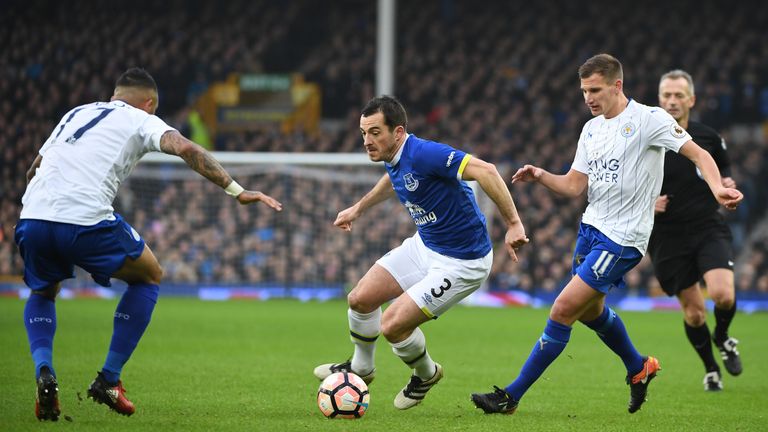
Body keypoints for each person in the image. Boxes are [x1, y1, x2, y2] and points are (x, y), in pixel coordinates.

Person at [470, 54, 743, 415]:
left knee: (564, 308)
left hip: (624, 238)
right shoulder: (591, 129)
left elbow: (699, 155)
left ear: (617, 85)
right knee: (588, 311)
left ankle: (511, 395)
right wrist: (541, 175)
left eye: (595, 89)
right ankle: (638, 367)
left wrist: (716, 189)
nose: (588, 98)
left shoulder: (650, 119)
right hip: (591, 231)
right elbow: (573, 185)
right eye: (584, 91)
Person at [15, 68, 282, 421]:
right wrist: (237, 190)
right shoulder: (142, 119)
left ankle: (44, 371)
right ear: (150, 103)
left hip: (32, 216)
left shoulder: (75, 113)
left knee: (43, 291)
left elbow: (35, 168)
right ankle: (109, 378)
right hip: (84, 218)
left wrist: (38, 208)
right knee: (149, 275)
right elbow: (185, 147)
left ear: (115, 94)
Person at [313, 95, 529, 410]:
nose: (367, 141)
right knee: (359, 299)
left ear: (398, 132)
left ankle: (426, 373)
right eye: (363, 133)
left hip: (462, 263)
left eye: (375, 132)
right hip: (425, 244)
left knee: (392, 326)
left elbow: (487, 170)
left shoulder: (426, 153)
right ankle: (361, 369)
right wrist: (358, 208)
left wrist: (513, 223)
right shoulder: (394, 155)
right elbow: (394, 178)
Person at [649, 69, 742, 391]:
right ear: (659, 99)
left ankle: (723, 336)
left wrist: (727, 182)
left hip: (706, 225)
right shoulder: (645, 139)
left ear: (691, 100)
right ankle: (711, 368)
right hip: (666, 234)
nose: (672, 101)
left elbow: (725, 169)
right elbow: (621, 184)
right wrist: (648, 203)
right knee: (694, 314)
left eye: (678, 95)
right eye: (666, 95)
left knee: (722, 294)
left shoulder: (708, 137)